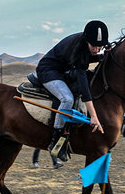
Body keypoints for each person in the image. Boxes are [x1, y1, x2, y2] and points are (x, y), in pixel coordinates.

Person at [36, 20, 109, 161]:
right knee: (67, 98)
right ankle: (56, 140)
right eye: (94, 45)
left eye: (100, 46)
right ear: (87, 41)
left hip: (64, 71)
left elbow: (92, 56)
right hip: (49, 71)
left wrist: (102, 56)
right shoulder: (79, 50)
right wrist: (93, 116)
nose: (96, 49)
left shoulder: (86, 44)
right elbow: (84, 87)